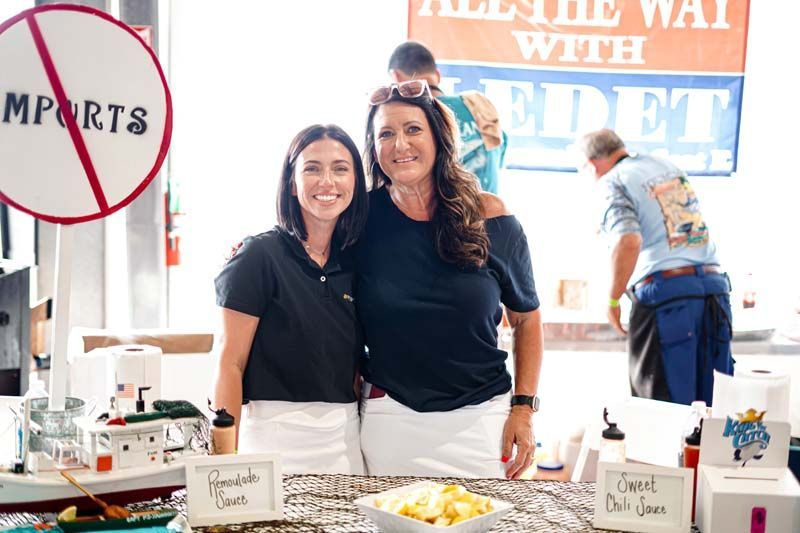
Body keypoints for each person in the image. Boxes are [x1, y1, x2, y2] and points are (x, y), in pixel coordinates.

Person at [356, 79, 543, 479]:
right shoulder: (359, 220)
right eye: (385, 134)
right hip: (390, 419)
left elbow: (527, 318)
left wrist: (523, 409)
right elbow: (306, 245)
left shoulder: (491, 216)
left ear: (439, 137)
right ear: (374, 150)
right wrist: (250, 252)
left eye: (412, 129)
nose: (400, 144)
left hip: (481, 421)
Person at [212, 124, 368, 474]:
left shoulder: (358, 260)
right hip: (271, 442)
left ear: (356, 182)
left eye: (340, 169)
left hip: (345, 442)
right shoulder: (258, 255)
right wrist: (222, 464)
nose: (327, 181)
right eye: (312, 168)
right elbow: (229, 364)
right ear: (291, 182)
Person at [576, 129, 734, 405]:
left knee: (660, 411)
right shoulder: (663, 165)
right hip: (714, 292)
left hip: (668, 299)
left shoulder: (612, 181)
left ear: (592, 164)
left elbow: (628, 241)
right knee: (714, 409)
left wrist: (613, 299)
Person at [388, 41, 507, 194]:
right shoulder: (481, 107)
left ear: (396, 77)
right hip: (492, 212)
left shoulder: (413, 119)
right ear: (437, 75)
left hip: (447, 215)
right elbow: (498, 160)